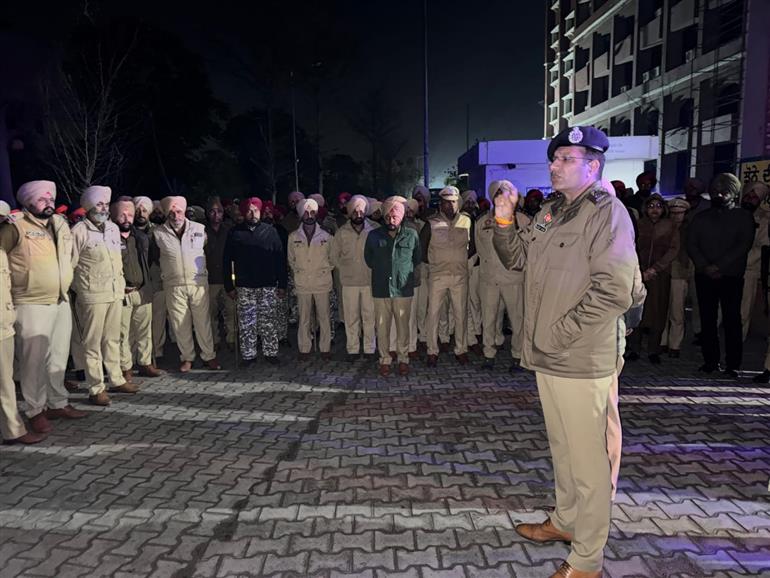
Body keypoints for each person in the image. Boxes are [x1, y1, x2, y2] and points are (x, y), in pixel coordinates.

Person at [493, 126, 636, 578]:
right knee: (563, 448)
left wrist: (558, 335)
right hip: (548, 354)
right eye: (554, 159)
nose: (554, 166)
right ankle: (566, 521)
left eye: (565, 159)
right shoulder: (551, 212)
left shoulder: (607, 213)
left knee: (590, 461)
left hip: (581, 356)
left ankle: (587, 559)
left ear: (592, 166)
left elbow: (614, 291)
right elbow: (518, 259)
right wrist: (504, 221)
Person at [0, 180, 87, 433]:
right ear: (27, 203)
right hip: (30, 302)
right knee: (33, 362)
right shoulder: (15, 226)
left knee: (58, 356)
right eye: (41, 199)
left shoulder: (59, 224)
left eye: (51, 199)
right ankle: (35, 410)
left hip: (60, 299)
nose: (48, 203)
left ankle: (57, 402)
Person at [71, 186, 136, 406]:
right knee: (92, 344)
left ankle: (116, 379)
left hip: (114, 293)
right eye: (99, 204)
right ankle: (96, 388)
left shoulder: (112, 228)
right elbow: (70, 265)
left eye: (106, 205)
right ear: (88, 206)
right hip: (92, 296)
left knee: (112, 339)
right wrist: (80, 289)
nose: (104, 209)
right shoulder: (78, 231)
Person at [687, 173, 755, 377]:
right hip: (704, 275)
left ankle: (733, 364)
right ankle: (710, 361)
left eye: (724, 191)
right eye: (715, 190)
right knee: (707, 320)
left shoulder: (743, 217)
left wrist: (718, 266)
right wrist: (705, 266)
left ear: (734, 193)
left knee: (732, 320)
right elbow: (692, 244)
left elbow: (743, 245)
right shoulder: (701, 218)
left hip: (731, 276)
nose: (719, 194)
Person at [150, 196, 221, 373]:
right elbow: (155, 258)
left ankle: (209, 355)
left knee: (202, 322)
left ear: (184, 212)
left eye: (179, 211)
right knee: (180, 324)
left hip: (197, 283)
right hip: (174, 285)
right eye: (172, 212)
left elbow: (207, 251)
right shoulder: (158, 233)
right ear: (167, 214)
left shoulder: (199, 229)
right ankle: (187, 357)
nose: (176, 216)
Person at [223, 197, 286, 366]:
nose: (253, 214)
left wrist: (282, 284)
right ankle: (249, 355)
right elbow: (227, 261)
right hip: (245, 286)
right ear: (244, 213)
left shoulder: (271, 232)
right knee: (247, 322)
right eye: (249, 211)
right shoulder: (235, 233)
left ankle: (270, 352)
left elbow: (280, 259)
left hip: (267, 285)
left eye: (256, 210)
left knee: (269, 321)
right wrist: (229, 285)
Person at [477, 180, 531, 371]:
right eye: (498, 194)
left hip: (513, 278)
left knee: (517, 320)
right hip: (490, 279)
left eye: (506, 194)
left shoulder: (523, 220)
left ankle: (517, 355)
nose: (502, 198)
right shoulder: (482, 221)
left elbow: (530, 247)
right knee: (488, 319)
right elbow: (480, 248)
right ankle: (488, 354)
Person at [364, 196, 421, 376]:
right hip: (381, 288)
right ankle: (385, 360)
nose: (391, 220)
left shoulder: (411, 235)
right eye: (388, 216)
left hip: (403, 289)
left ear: (402, 216)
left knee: (404, 328)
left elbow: (416, 258)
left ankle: (403, 359)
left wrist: (401, 272)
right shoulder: (374, 235)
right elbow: (369, 259)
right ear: (384, 216)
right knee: (382, 328)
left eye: (395, 216)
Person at [1, 217, 46, 444]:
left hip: (4, 322)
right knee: (4, 383)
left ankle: (11, 429)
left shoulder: (2, 251)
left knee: (5, 381)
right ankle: (13, 430)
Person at [420, 186, 473, 366]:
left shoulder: (467, 221)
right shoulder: (431, 223)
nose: (450, 206)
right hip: (438, 275)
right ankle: (432, 351)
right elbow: (422, 247)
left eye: (453, 202)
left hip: (459, 275)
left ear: (458, 203)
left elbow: (473, 246)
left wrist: (461, 260)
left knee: (461, 314)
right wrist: (434, 263)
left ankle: (461, 350)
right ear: (440, 204)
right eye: (446, 203)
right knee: (433, 314)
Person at [111, 199, 163, 380]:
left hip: (142, 291)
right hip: (122, 293)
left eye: (130, 215)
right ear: (114, 215)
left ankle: (145, 363)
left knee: (144, 331)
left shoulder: (140, 237)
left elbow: (150, 260)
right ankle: (126, 367)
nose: (127, 218)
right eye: (122, 215)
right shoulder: (110, 237)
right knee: (122, 333)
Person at [625, 193, 679, 364]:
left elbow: (673, 249)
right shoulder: (639, 225)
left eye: (658, 206)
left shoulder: (670, 225)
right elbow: (630, 246)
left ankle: (653, 350)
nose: (654, 210)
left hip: (660, 274)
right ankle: (635, 348)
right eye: (650, 206)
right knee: (637, 309)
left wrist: (655, 268)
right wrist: (639, 270)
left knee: (658, 312)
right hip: (638, 273)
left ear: (663, 209)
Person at [331, 195, 377, 361]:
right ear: (350, 212)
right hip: (349, 282)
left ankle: (370, 349)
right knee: (351, 318)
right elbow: (334, 256)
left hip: (369, 281)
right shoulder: (341, 232)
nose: (358, 214)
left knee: (369, 317)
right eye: (355, 211)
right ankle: (353, 349)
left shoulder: (374, 230)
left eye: (361, 211)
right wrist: (344, 269)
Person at [287, 198, 333, 360]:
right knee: (304, 318)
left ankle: (325, 348)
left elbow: (333, 258)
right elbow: (291, 259)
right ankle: (304, 348)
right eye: (306, 213)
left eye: (312, 212)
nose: (309, 215)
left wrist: (324, 270)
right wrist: (299, 271)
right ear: (301, 215)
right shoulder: (293, 237)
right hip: (303, 282)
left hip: (322, 282)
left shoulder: (326, 236)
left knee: (324, 317)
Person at [660, 197, 692, 357]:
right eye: (673, 213)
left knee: (677, 311)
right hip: (664, 272)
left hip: (680, 273)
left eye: (679, 213)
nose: (676, 216)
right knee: (662, 309)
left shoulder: (689, 230)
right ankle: (662, 341)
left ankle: (675, 344)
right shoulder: (664, 228)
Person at [739, 182, 770, 340]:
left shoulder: (765, 219)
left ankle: (738, 341)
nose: (749, 200)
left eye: (754, 198)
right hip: (725, 267)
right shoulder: (732, 213)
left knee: (744, 310)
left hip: (749, 270)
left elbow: (763, 247)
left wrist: (739, 258)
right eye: (747, 196)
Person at [204, 197, 236, 350]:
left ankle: (232, 338)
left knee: (231, 310)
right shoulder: (201, 231)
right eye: (212, 211)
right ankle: (214, 340)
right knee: (211, 312)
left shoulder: (230, 230)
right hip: (209, 278)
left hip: (227, 278)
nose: (216, 215)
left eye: (219, 211)